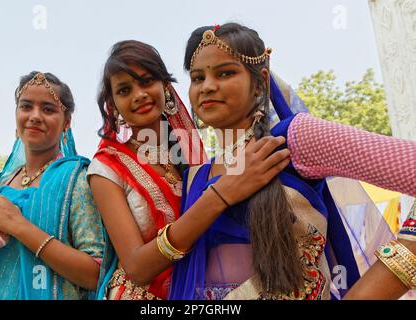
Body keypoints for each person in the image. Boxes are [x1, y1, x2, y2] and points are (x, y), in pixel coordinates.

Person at [168, 22, 416, 300]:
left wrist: (402, 262)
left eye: (225, 73)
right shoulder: (193, 177)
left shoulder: (295, 140)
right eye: (198, 78)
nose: (208, 87)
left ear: (260, 83)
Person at [88, 40, 290, 300]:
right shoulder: (106, 167)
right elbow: (137, 267)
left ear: (166, 87)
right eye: (125, 90)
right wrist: (219, 195)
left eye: (147, 81)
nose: (138, 95)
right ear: (113, 105)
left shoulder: (189, 157)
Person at [0, 71, 105, 300]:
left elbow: (96, 274)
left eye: (48, 109)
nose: (35, 116)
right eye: (26, 107)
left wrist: (19, 226)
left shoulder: (77, 179)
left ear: (67, 122)